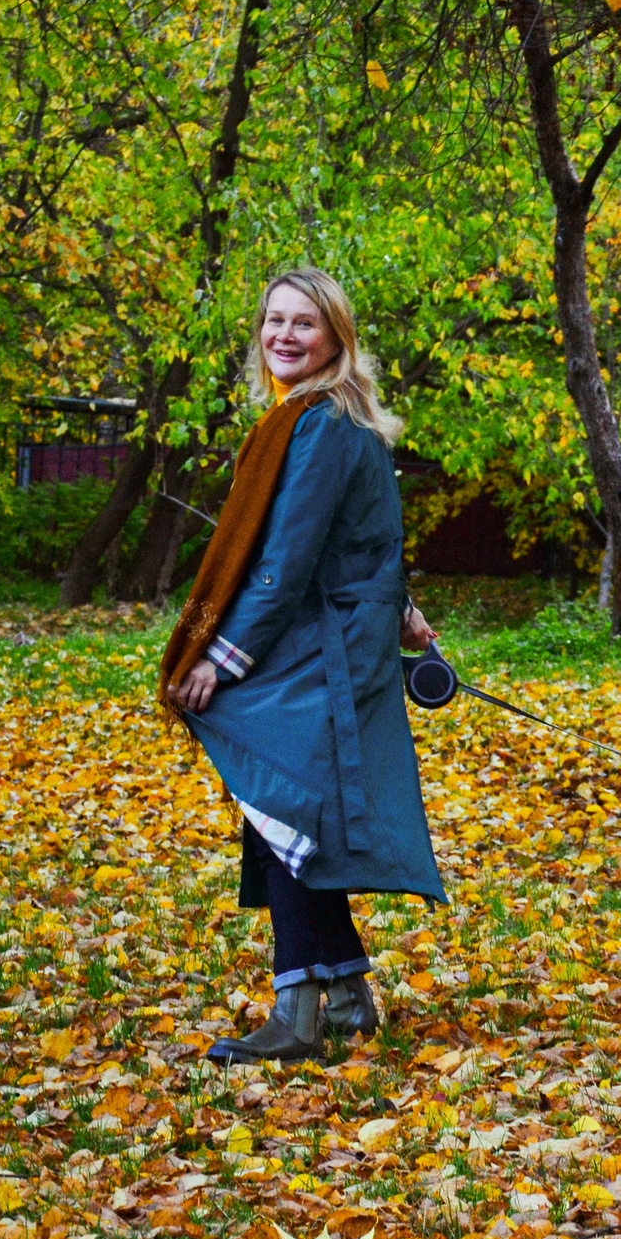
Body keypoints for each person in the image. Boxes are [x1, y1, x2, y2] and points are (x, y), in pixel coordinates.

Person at [160, 267, 445, 1065]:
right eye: (273, 321)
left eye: (304, 324)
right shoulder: (323, 418)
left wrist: (220, 654)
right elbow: (366, 536)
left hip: (322, 645)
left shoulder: (318, 425)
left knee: (282, 807)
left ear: (336, 339)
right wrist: (403, 604)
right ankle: (347, 991)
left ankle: (298, 1013)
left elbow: (287, 557)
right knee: (285, 809)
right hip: (333, 637)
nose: (284, 336)